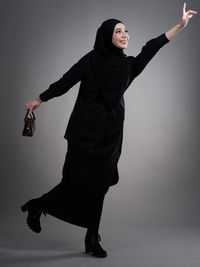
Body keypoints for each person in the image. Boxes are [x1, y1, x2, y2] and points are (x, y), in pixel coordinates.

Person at [21, 3, 197, 258]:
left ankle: (92, 237)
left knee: (99, 187)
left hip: (110, 137)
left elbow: (151, 47)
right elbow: (65, 81)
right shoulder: (91, 60)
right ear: (107, 36)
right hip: (83, 134)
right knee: (73, 183)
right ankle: (38, 206)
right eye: (118, 31)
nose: (125, 35)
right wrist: (40, 99)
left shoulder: (128, 67)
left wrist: (180, 26)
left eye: (126, 30)